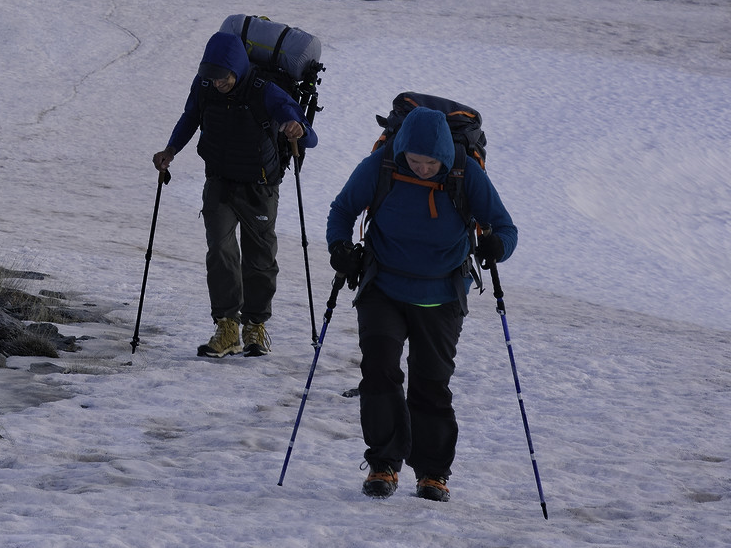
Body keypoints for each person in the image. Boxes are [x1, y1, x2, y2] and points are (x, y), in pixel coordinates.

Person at [324, 103, 517, 503]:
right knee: (379, 371)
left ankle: (432, 473)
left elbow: (505, 226)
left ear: (444, 156)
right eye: (413, 160)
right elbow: (342, 209)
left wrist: (498, 245)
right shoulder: (382, 165)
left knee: (430, 383)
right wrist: (340, 247)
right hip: (383, 287)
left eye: (430, 163)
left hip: (441, 293)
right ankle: (383, 464)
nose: (421, 168)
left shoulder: (466, 174)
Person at [151, 30, 316, 358]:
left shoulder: (265, 92)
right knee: (221, 252)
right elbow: (190, 118)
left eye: (222, 78)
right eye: (210, 77)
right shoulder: (204, 86)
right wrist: (170, 150)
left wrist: (297, 128)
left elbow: (308, 138)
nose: (216, 84)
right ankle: (227, 327)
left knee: (259, 257)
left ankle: (255, 326)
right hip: (220, 181)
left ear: (237, 70)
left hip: (260, 185)